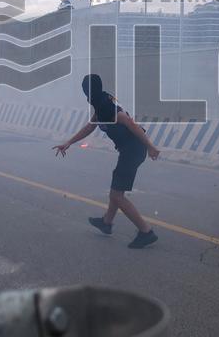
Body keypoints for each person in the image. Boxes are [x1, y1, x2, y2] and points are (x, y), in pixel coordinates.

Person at [53, 74, 161, 249]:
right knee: (116, 189)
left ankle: (146, 231)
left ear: (88, 91)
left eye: (85, 91)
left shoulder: (105, 106)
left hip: (133, 150)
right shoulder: (101, 102)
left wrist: (150, 146)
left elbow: (130, 123)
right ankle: (106, 222)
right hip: (129, 150)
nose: (85, 95)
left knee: (116, 195)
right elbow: (90, 125)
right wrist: (69, 142)